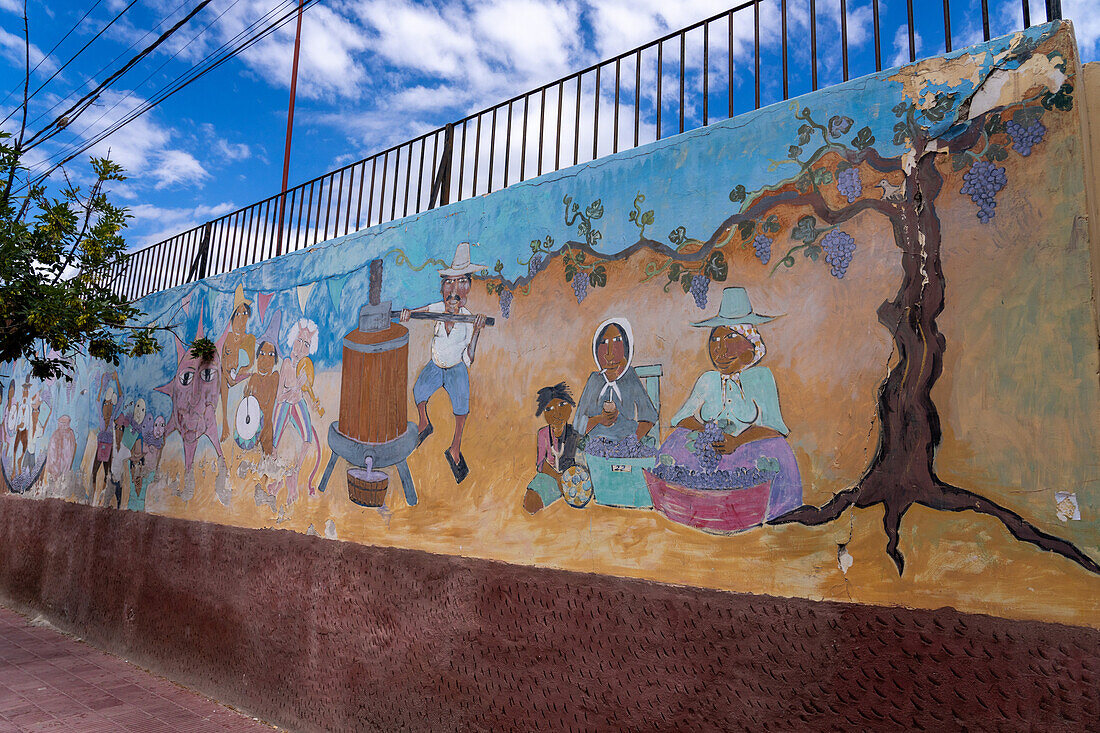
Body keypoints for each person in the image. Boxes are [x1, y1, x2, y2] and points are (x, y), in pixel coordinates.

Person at [667, 287, 801, 517]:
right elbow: (680, 419)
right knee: (678, 444)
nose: (720, 349)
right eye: (715, 339)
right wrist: (707, 432)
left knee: (766, 465)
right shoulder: (707, 380)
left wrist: (737, 441)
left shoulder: (761, 378)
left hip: (750, 454)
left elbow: (775, 427)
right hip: (711, 452)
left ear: (751, 345)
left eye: (730, 338)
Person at [400, 242, 489, 484]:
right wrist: (409, 313)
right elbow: (421, 311)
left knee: (461, 409)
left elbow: (469, 357)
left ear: (467, 289)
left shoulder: (469, 319)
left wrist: (478, 330)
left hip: (455, 369)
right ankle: (424, 422)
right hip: (436, 365)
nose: (454, 292)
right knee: (419, 391)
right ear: (444, 289)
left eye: (461, 283)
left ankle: (455, 449)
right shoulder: (439, 307)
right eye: (451, 283)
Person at [573, 318, 657, 443]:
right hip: (596, 447)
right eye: (603, 343)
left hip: (626, 444)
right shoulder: (595, 380)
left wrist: (630, 443)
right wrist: (600, 419)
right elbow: (577, 425)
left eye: (618, 341)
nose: (609, 354)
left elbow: (649, 416)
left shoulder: (629, 377)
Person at [523, 383, 580, 514]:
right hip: (549, 475)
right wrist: (557, 478)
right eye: (549, 409)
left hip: (570, 477)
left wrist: (565, 479)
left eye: (562, 405)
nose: (556, 413)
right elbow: (541, 463)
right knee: (530, 503)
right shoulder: (543, 434)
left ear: (570, 407)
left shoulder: (574, 434)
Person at [219, 285, 256, 441]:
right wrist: (228, 375)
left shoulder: (250, 339)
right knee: (222, 378)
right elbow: (222, 361)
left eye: (245, 313)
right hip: (227, 379)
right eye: (239, 313)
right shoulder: (227, 338)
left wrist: (242, 371)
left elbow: (250, 363)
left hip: (242, 377)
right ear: (233, 317)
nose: (242, 318)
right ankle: (225, 425)